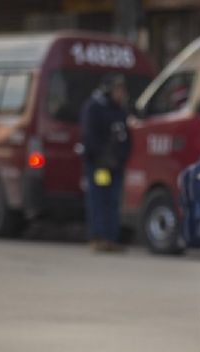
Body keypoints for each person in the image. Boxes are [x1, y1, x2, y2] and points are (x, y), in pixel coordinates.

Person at [80, 74, 131, 252]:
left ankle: (111, 238)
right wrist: (102, 158)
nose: (121, 94)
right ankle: (98, 237)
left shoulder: (120, 110)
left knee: (113, 200)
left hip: (115, 166)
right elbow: (90, 137)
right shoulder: (95, 108)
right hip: (101, 166)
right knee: (100, 199)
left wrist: (120, 158)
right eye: (118, 90)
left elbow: (127, 138)